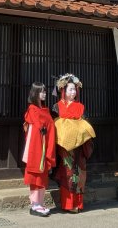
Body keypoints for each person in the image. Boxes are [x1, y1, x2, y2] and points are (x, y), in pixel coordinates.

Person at [52, 73, 95, 213]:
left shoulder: (81, 107)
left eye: (75, 89)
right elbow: (54, 126)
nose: (73, 92)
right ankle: (68, 204)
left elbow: (86, 125)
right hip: (65, 148)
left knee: (80, 173)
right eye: (70, 89)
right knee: (68, 173)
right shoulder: (57, 107)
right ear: (63, 90)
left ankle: (79, 204)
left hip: (79, 148)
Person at [22, 82, 56, 217]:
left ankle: (40, 204)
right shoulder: (32, 109)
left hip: (45, 144)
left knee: (43, 176)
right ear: (35, 93)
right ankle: (35, 204)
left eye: (45, 91)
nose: (44, 94)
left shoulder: (45, 109)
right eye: (41, 91)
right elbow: (36, 127)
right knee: (36, 175)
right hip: (37, 147)